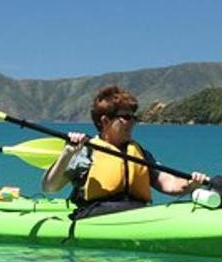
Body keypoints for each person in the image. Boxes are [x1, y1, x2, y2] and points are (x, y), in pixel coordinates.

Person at [41, 85, 209, 218]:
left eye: (134, 117)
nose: (133, 122)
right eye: (126, 117)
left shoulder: (140, 152)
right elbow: (49, 187)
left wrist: (190, 185)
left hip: (137, 214)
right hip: (96, 217)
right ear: (106, 121)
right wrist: (67, 153)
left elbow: (168, 184)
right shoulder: (86, 152)